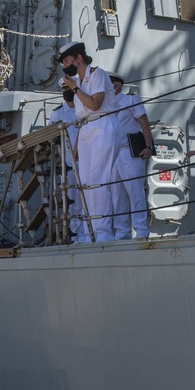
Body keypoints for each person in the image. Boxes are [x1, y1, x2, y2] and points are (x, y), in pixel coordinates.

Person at [58, 41, 120, 242]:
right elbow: (79, 116)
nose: (65, 66)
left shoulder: (97, 74)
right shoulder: (79, 83)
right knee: (85, 182)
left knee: (98, 181)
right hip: (85, 130)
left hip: (102, 125)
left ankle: (102, 232)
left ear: (78, 58)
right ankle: (88, 232)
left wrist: (75, 88)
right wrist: (77, 146)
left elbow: (94, 104)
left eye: (67, 60)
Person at [108, 72, 154, 240]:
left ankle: (141, 229)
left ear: (117, 84)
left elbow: (144, 123)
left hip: (129, 150)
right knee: (117, 194)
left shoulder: (130, 100)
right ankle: (122, 231)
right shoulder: (107, 104)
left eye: (109, 83)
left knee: (135, 191)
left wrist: (149, 146)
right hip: (113, 153)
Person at [48, 87, 86, 242]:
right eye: (65, 89)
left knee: (88, 197)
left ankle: (89, 233)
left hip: (87, 160)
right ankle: (77, 236)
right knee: (73, 201)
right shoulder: (57, 113)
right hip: (69, 162)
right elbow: (52, 138)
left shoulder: (83, 109)